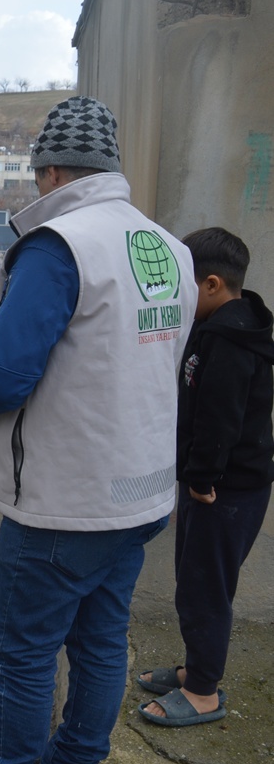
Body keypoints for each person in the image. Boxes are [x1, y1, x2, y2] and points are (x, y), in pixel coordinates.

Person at [0, 97, 196, 764]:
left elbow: (3, 379)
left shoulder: (58, 246)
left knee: (24, 654)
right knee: (101, 644)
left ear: (53, 169)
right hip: (139, 494)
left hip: (66, 499)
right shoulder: (167, 249)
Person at [138, 227, 274, 726]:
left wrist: (200, 478)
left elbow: (220, 419)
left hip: (224, 488)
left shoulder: (231, 340)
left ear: (213, 284)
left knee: (205, 589)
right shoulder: (220, 325)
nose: (178, 297)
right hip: (217, 483)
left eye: (185, 286)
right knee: (193, 583)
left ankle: (202, 692)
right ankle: (195, 669)